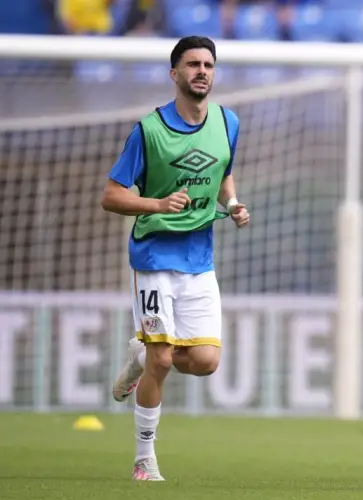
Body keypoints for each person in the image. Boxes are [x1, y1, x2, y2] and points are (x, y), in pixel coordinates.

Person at [101, 36, 249, 481]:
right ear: (174, 74)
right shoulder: (149, 130)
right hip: (153, 256)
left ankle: (138, 356)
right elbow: (111, 196)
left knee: (205, 361)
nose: (201, 71)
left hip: (199, 259)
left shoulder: (228, 122)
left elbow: (222, 171)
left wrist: (234, 202)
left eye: (208, 64)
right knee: (163, 359)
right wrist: (157, 205)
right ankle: (144, 458)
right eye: (192, 64)